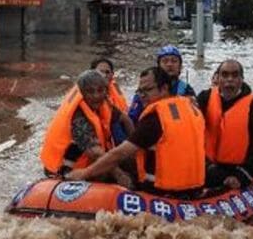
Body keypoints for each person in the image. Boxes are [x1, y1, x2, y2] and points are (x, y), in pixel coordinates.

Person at [68, 67, 205, 193]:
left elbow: (118, 154)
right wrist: (135, 138)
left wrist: (84, 173)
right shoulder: (191, 107)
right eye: (140, 91)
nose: (142, 95)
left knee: (109, 166)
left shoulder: (155, 118)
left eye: (148, 90)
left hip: (163, 190)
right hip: (195, 186)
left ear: (164, 88)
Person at [40, 70, 128, 183]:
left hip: (85, 159)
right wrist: (120, 175)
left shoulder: (105, 101)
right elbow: (95, 152)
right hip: (63, 170)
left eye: (100, 90)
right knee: (110, 174)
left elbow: (126, 120)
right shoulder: (78, 116)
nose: (96, 95)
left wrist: (136, 150)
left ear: (106, 90)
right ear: (82, 93)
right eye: (90, 92)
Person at [196, 59, 253, 189]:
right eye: (225, 75)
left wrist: (241, 176)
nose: (229, 80)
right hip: (210, 167)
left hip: (240, 168)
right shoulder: (204, 99)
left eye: (235, 75)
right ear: (217, 78)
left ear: (241, 79)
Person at [128, 45, 195, 123]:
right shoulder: (144, 89)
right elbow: (132, 118)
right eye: (165, 61)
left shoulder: (186, 89)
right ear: (158, 66)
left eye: (174, 61)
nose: (169, 64)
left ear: (180, 67)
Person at [90, 57, 134, 144]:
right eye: (100, 72)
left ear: (112, 74)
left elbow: (125, 118)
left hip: (117, 119)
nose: (104, 75)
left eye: (107, 72)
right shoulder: (89, 95)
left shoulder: (115, 87)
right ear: (91, 74)